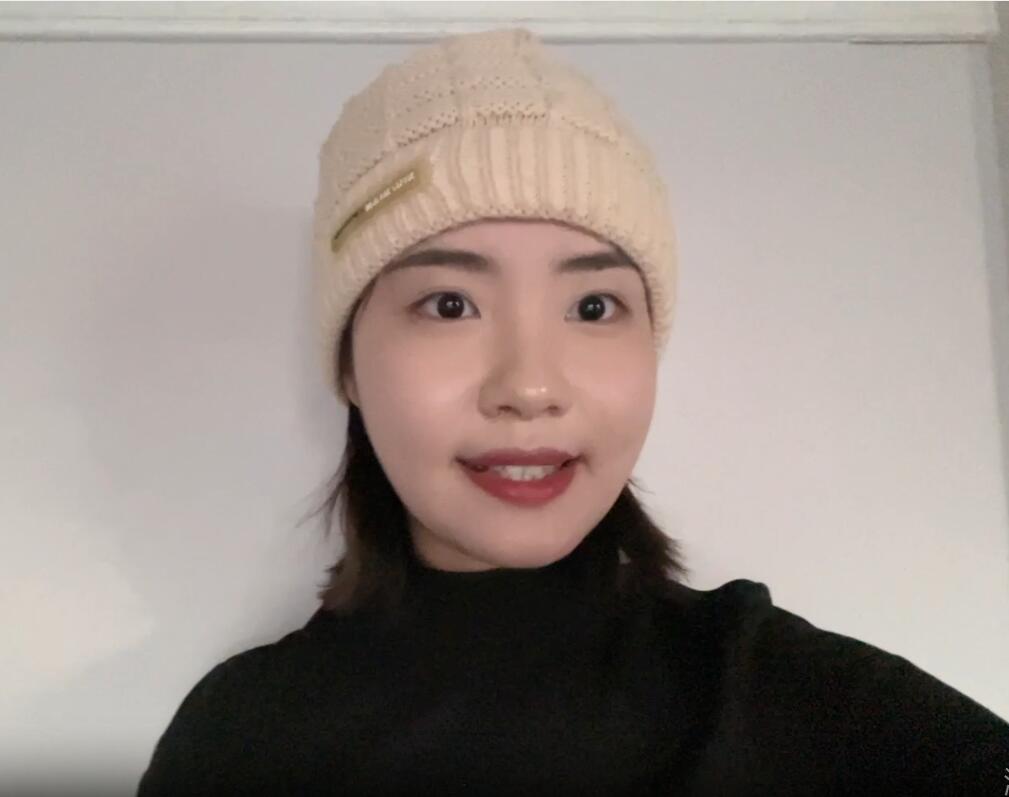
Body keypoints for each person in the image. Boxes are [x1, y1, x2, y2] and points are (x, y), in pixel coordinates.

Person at [136, 26, 1009, 796]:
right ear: (349, 363)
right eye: (448, 303)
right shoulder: (234, 739)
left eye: (593, 306)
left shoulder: (784, 699)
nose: (529, 385)